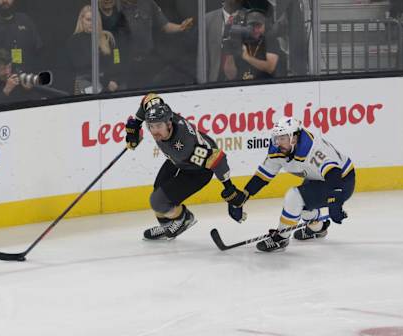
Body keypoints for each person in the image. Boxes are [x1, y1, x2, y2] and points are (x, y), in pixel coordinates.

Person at [222, 117, 356, 252]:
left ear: (294, 138)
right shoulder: (279, 149)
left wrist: (335, 202)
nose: (278, 143)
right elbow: (263, 176)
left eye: (283, 138)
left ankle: (281, 238)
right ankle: (318, 228)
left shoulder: (312, 150)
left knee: (295, 197)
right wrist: (244, 196)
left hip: (341, 182)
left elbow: (334, 174)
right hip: (318, 179)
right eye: (277, 138)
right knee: (303, 205)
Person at [125, 93, 240, 240]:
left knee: (158, 201)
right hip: (177, 161)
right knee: (158, 194)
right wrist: (135, 125)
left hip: (198, 172)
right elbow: (149, 98)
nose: (154, 131)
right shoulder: (163, 114)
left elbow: (218, 158)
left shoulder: (186, 144)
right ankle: (167, 226)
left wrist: (229, 188)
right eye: (151, 126)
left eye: (158, 126)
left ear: (168, 123)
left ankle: (184, 218)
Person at [118, 0, 194, 89]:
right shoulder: (115, 5)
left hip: (147, 60)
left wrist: (180, 27)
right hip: (124, 62)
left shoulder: (148, 3)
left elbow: (165, 26)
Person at [67, 4, 122, 94]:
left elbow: (117, 59)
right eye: (88, 20)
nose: (92, 23)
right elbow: (81, 67)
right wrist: (107, 81)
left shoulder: (108, 37)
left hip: (111, 86)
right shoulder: (74, 41)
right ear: (82, 20)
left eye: (94, 19)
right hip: (86, 85)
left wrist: (115, 80)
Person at [0, 0, 43, 73]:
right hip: (0, 81)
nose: (5, 1)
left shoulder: (25, 20)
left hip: (26, 79)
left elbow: (38, 50)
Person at [204, 0, 244, 82]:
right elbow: (203, 54)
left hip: (244, 79)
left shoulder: (250, 18)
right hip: (215, 79)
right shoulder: (207, 19)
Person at [237, 10, 283, 80]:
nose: (255, 30)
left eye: (259, 26)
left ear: (265, 26)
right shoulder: (241, 42)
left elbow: (270, 67)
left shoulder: (271, 41)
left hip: (265, 86)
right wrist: (229, 55)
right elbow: (231, 75)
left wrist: (247, 58)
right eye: (252, 26)